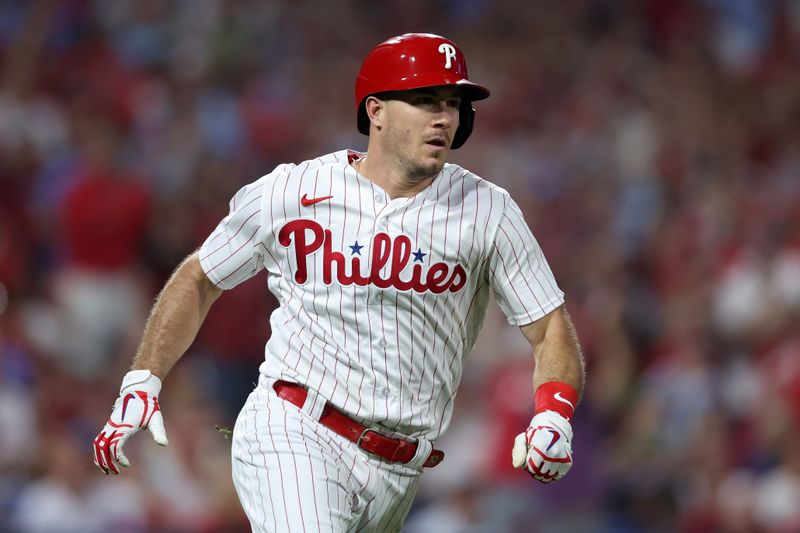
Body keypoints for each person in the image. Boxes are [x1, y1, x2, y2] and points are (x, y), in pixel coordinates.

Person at [92, 33, 585, 532]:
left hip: (400, 468)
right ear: (376, 111)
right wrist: (143, 378)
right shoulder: (293, 190)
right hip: (295, 428)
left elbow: (549, 328)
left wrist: (554, 414)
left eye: (453, 103)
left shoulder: (488, 211)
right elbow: (200, 276)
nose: (444, 117)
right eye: (424, 100)